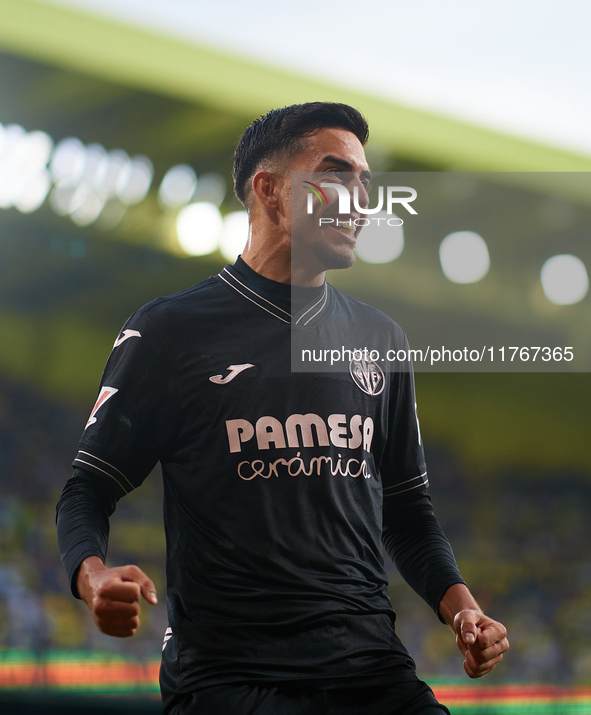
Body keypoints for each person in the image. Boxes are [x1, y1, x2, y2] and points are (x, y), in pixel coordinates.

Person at [56, 102, 508, 715]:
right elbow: (88, 488)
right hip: (228, 677)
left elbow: (407, 511)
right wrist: (92, 577)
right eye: (336, 175)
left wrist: (464, 611)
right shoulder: (170, 331)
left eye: (364, 183)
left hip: (370, 668)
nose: (360, 201)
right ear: (269, 190)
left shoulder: (382, 340)